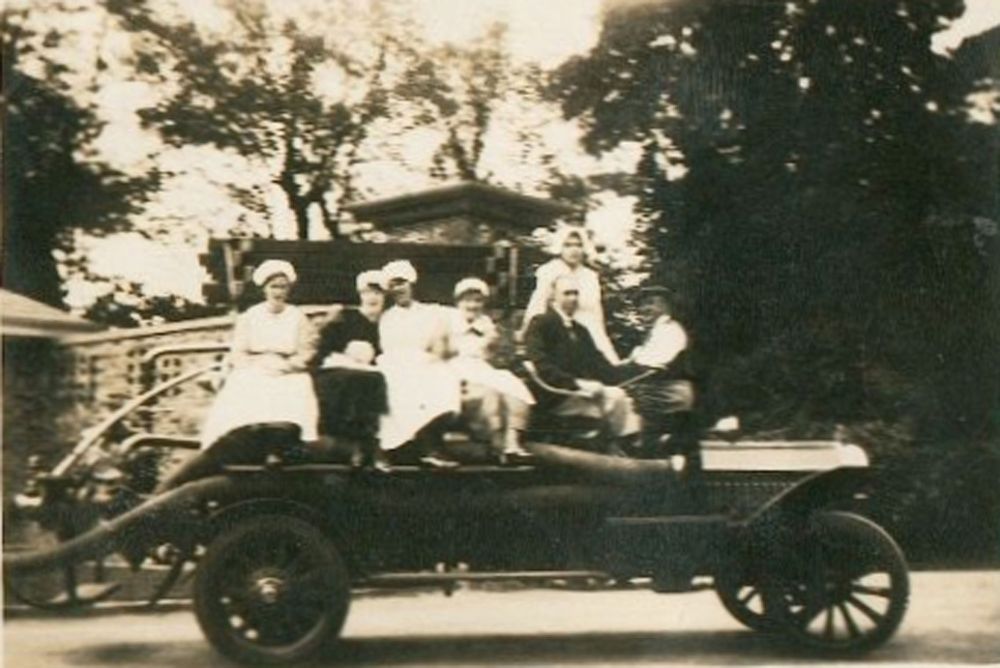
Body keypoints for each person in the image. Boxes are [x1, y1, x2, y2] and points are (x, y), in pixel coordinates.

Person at [199, 259, 319, 448]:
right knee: (244, 383)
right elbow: (238, 351)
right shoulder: (250, 316)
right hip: (255, 366)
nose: (278, 292)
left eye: (283, 287)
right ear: (264, 289)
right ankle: (240, 439)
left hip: (286, 368)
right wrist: (256, 365)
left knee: (299, 386)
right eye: (273, 287)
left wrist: (288, 366)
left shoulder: (298, 316)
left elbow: (307, 350)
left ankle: (285, 442)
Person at [523, 273, 640, 449]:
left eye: (576, 293)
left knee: (622, 397)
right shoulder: (541, 323)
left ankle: (623, 450)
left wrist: (639, 369)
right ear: (553, 296)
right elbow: (542, 367)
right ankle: (622, 450)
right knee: (616, 398)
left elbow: (601, 366)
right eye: (567, 293)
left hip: (580, 394)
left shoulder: (581, 331)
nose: (573, 298)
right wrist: (578, 384)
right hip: (554, 396)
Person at [376, 260, 462, 468]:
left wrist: (436, 350)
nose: (398, 289)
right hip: (396, 364)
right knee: (402, 383)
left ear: (411, 284)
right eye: (393, 285)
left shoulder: (430, 312)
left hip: (426, 361)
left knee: (443, 377)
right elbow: (390, 348)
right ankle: (414, 446)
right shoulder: (388, 318)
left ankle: (431, 446)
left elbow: (442, 344)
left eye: (401, 283)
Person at [447, 277, 534, 463]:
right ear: (458, 301)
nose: (472, 305)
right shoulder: (448, 321)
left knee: (513, 385)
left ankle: (512, 440)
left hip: (480, 368)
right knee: (489, 392)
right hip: (456, 368)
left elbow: (491, 356)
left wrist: (491, 344)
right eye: (467, 300)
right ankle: (497, 441)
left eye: (477, 301)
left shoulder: (486, 323)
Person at [311, 269, 389, 470]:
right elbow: (324, 348)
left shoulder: (388, 323)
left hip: (374, 371)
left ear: (384, 296)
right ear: (360, 295)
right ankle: (355, 445)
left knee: (374, 380)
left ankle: (372, 445)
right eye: (367, 292)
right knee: (355, 380)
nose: (372, 297)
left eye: (377, 292)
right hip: (338, 368)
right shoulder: (346, 317)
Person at [617, 285, 697, 459]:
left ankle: (638, 457)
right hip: (660, 393)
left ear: (664, 306)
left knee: (624, 411)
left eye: (650, 304)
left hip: (668, 394)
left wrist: (627, 370)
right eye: (641, 305)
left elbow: (652, 365)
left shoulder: (670, 330)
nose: (643, 309)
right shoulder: (655, 333)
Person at [522, 226, 620, 364]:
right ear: (560, 247)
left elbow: (596, 313)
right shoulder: (549, 271)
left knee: (611, 371)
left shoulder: (590, 276)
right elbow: (537, 306)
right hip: (561, 334)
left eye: (578, 245)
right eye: (568, 245)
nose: (574, 250)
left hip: (591, 333)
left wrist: (601, 338)